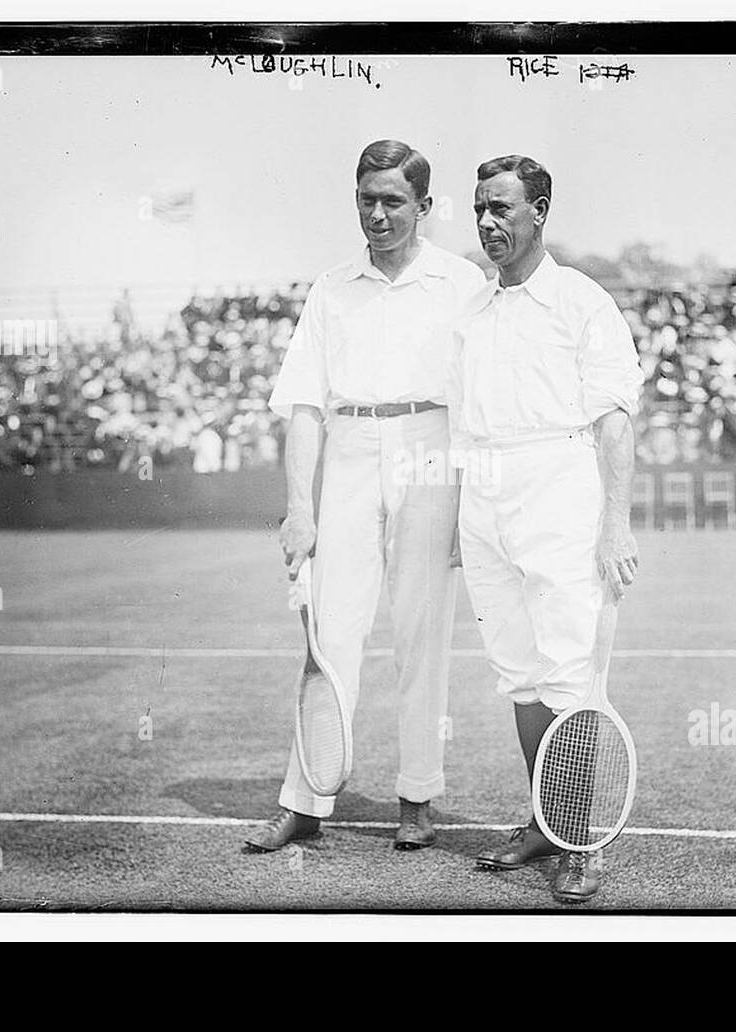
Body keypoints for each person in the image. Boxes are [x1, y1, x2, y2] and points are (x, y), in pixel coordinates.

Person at [245, 140, 486, 853]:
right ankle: (306, 800)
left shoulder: (461, 282)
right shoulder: (332, 286)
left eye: (393, 201)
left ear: (424, 207)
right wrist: (299, 507)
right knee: (329, 634)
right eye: (366, 199)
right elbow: (304, 406)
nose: (377, 215)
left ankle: (417, 797)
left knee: (421, 633)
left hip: (430, 448)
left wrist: (466, 499)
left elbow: (475, 399)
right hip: (349, 451)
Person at [448, 154, 644, 903]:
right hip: (484, 495)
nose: (488, 223)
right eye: (478, 210)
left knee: (569, 675)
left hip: (561, 488)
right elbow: (462, 427)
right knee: (521, 677)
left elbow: (614, 422)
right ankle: (543, 821)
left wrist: (614, 526)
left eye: (501, 209)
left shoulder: (583, 301)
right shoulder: (471, 308)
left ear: (539, 212)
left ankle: (579, 840)